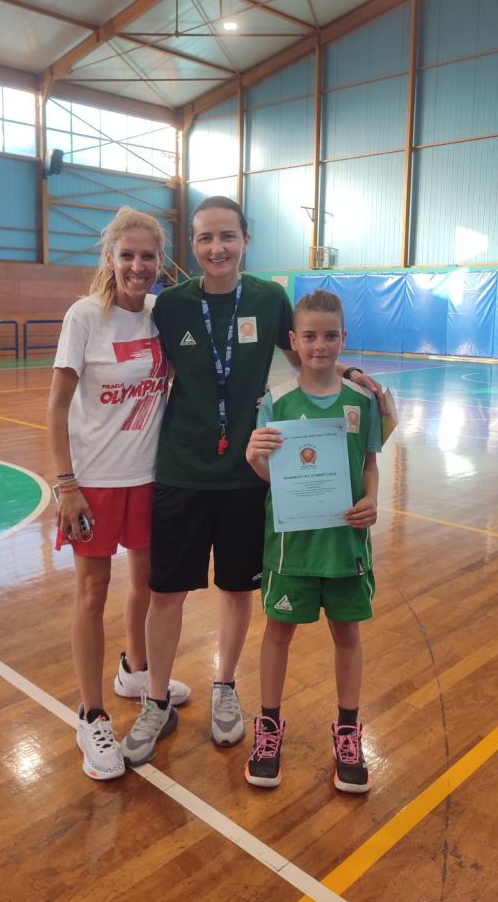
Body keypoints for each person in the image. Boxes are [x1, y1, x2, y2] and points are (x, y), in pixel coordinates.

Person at [120, 197, 384, 767]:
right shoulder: (172, 306)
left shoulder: (267, 299)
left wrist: (353, 374)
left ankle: (224, 686)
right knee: (166, 592)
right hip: (182, 469)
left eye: (227, 236)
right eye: (205, 237)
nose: (216, 248)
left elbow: (306, 356)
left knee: (238, 590)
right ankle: (156, 700)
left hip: (250, 474)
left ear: (245, 240)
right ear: (192, 244)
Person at [48, 206, 189, 781]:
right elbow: (57, 408)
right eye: (127, 255)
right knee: (92, 592)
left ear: (161, 261)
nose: (137, 266)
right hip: (94, 483)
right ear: (110, 258)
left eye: (147, 256)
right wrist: (66, 485)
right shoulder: (85, 316)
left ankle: (136, 670)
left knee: (149, 584)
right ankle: (91, 714)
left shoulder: (161, 316)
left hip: (150, 477)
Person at [242, 289, 380, 792]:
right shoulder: (275, 402)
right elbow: (270, 476)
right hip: (292, 548)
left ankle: (348, 731)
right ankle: (268, 728)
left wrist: (372, 499)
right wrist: (254, 458)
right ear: (294, 341)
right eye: (310, 336)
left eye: (330, 335)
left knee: (347, 635)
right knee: (278, 633)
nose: (320, 345)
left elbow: (369, 464)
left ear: (343, 338)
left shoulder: (362, 401)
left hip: (345, 545)